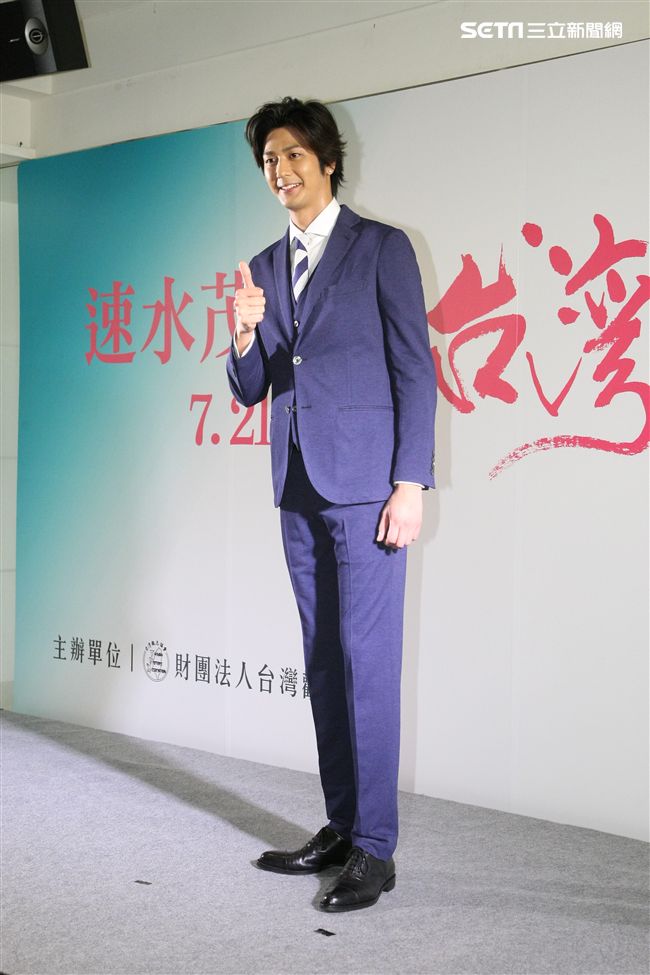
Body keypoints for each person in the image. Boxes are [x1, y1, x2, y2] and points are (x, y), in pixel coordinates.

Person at [227, 97, 437, 913]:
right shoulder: (263, 265)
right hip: (298, 487)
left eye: (292, 155)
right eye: (268, 161)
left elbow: (414, 369)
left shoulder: (381, 247)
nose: (280, 171)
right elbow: (253, 387)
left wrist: (410, 482)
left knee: (368, 663)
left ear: (327, 160)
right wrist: (244, 334)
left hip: (370, 489)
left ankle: (376, 849)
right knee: (322, 661)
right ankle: (343, 826)